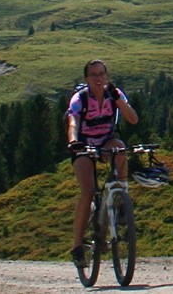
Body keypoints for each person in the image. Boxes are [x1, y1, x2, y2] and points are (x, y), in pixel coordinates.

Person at [66, 59, 139, 269]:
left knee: (121, 149)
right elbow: (73, 122)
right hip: (84, 147)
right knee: (88, 192)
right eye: (94, 75)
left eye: (101, 74)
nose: (98, 79)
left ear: (106, 76)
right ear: (87, 79)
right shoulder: (80, 98)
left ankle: (121, 196)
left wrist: (118, 100)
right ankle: (78, 247)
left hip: (106, 141)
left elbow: (133, 119)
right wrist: (73, 141)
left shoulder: (114, 94)